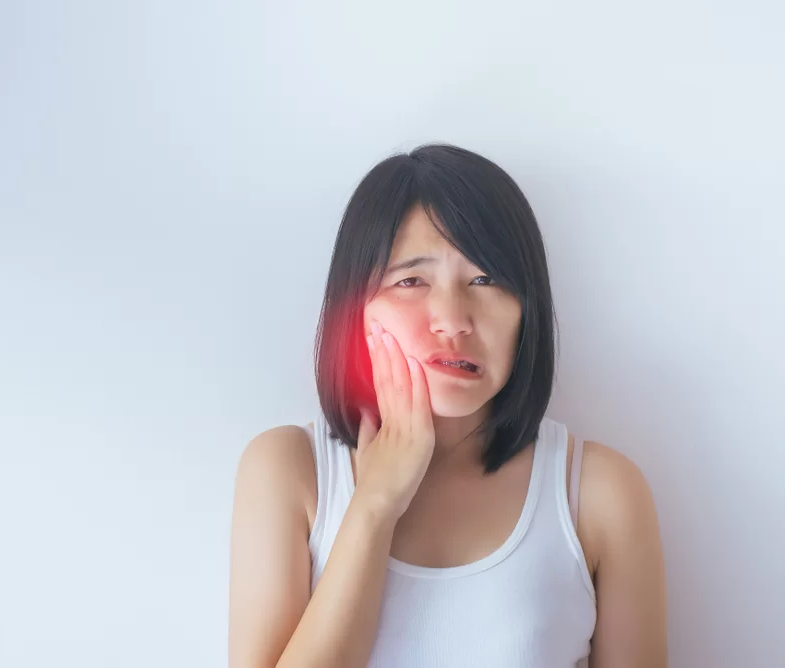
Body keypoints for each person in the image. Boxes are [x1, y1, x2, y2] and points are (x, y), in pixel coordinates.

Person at [227, 143, 667, 668]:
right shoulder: (289, 470)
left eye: (486, 280)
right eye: (411, 280)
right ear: (355, 306)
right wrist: (375, 504)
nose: (453, 319)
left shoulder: (599, 492)